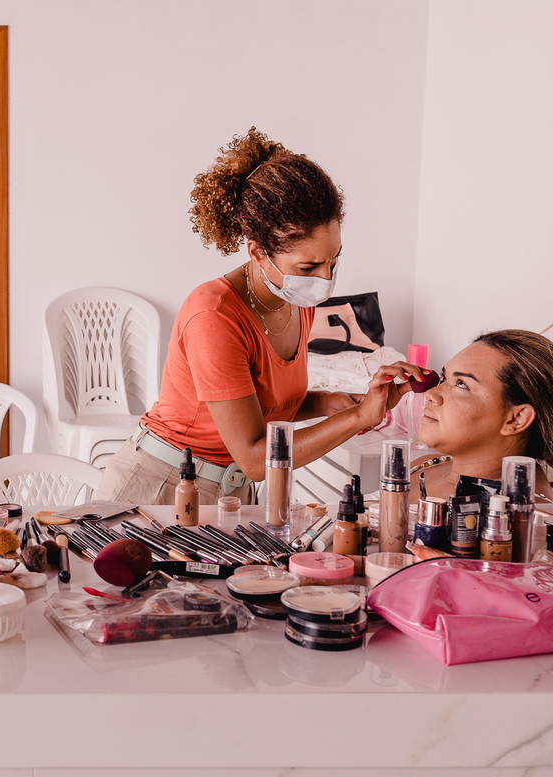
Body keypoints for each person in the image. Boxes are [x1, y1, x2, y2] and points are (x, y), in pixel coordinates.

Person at [96, 128, 422, 505]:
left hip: (230, 490)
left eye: (333, 261)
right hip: (161, 485)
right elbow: (254, 458)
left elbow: (263, 405)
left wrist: (328, 403)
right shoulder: (214, 315)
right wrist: (358, 418)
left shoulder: (297, 300)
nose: (324, 279)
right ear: (257, 253)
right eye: (308, 266)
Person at [415, 329, 553, 500]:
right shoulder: (426, 465)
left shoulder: (516, 512)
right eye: (444, 378)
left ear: (516, 419)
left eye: (461, 384)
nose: (430, 394)